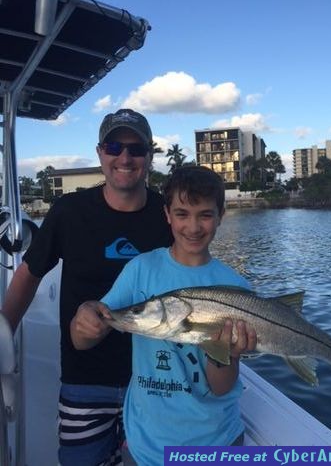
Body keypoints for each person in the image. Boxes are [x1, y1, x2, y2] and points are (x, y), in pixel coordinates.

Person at [1, 109, 173, 466]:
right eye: (114, 146)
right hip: (84, 382)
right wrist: (3, 337)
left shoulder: (169, 215)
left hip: (153, 381)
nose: (125, 157)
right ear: (100, 153)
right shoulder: (69, 211)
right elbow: (28, 275)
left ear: (150, 155)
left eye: (136, 148)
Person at [70, 165, 257, 465]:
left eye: (205, 215)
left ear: (221, 216)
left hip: (217, 441)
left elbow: (221, 387)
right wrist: (84, 319)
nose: (193, 227)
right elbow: (83, 338)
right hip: (146, 445)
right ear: (167, 215)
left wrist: (229, 354)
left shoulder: (237, 288)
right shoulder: (140, 269)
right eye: (182, 214)